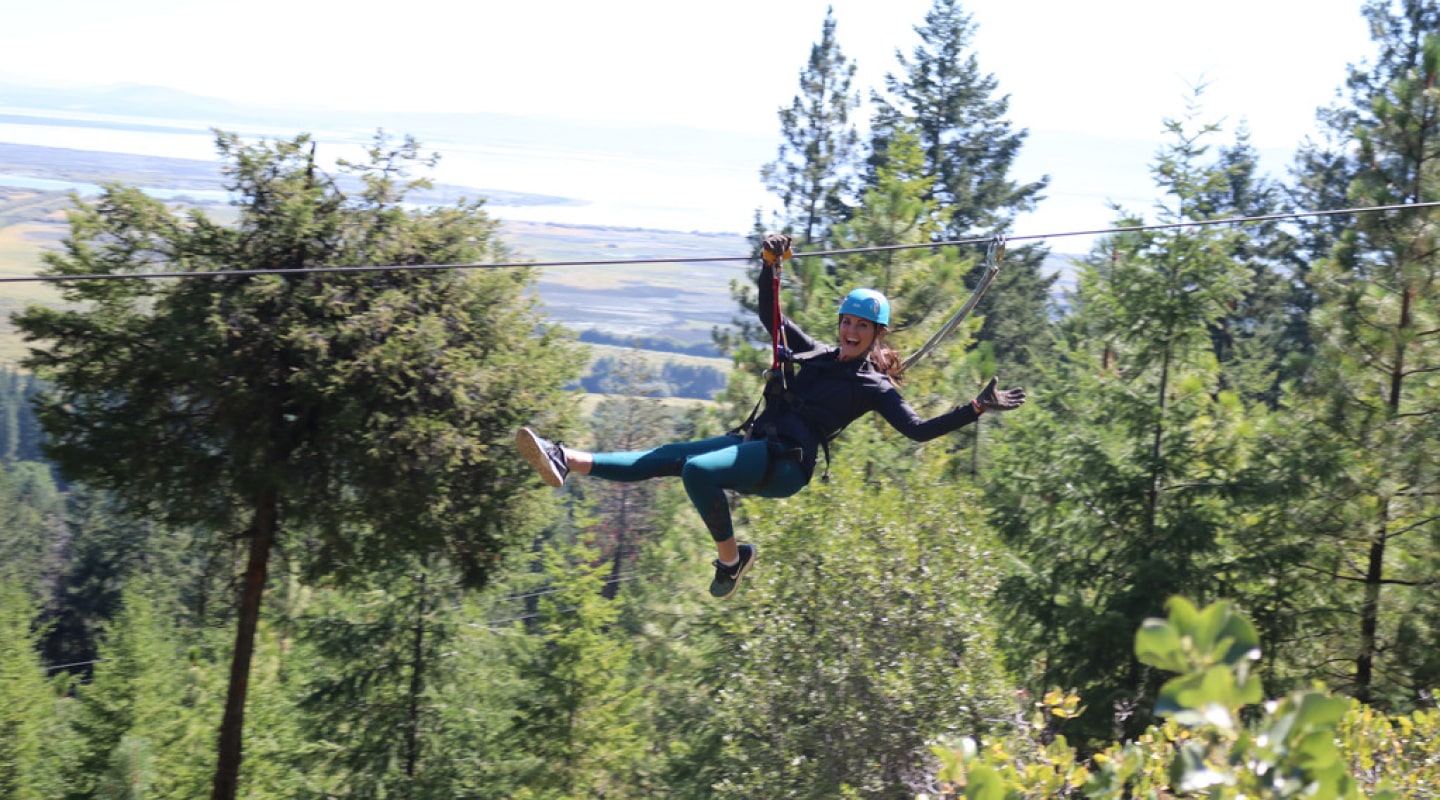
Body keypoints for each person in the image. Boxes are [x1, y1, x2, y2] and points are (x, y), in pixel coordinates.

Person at [516, 234, 1026, 599]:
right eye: (845, 321)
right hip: (758, 444)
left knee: (695, 471)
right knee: (669, 457)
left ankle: (733, 561)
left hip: (787, 466)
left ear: (877, 335)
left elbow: (918, 430)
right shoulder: (816, 355)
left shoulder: (873, 387)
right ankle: (565, 459)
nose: (848, 330)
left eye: (860, 326)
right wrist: (769, 266)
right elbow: (771, 316)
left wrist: (976, 408)